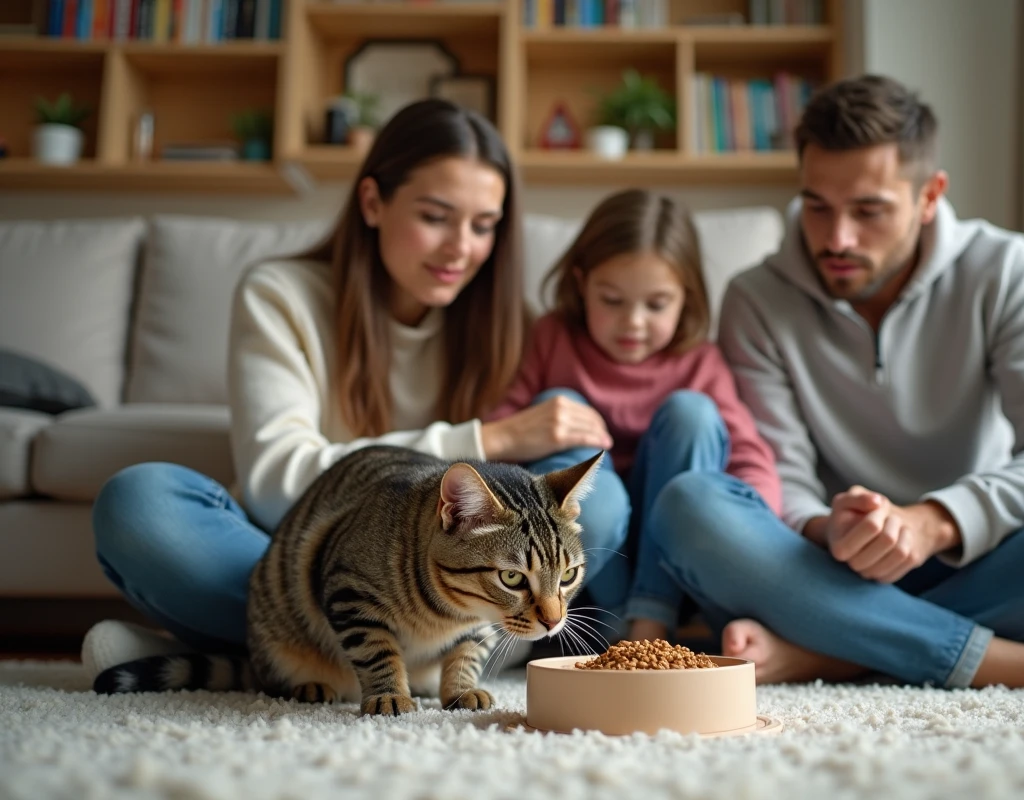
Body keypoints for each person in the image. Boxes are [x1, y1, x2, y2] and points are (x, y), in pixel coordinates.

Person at [647, 74, 1024, 695]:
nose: (837, 239)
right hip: (826, 577)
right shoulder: (755, 298)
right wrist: (833, 529)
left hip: (993, 562)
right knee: (690, 504)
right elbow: (782, 477)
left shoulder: (1002, 268)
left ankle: (834, 656)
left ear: (930, 195)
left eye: (869, 210)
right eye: (817, 207)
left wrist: (933, 523)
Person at [80, 99, 620, 676]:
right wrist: (486, 439)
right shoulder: (280, 294)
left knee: (601, 492)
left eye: (483, 225)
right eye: (436, 217)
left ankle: (222, 658)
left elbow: (535, 527)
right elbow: (271, 480)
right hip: (297, 565)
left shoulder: (511, 320)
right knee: (139, 503)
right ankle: (336, 656)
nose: (462, 248)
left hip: (462, 595)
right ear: (372, 202)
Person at [486, 188, 781, 642]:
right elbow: (504, 441)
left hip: (666, 563)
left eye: (657, 304)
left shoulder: (698, 360)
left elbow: (746, 454)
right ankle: (620, 621)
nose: (634, 323)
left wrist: (755, 530)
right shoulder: (551, 337)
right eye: (612, 300)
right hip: (581, 572)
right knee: (561, 403)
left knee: (694, 414)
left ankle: (650, 621)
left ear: (687, 297)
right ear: (582, 284)